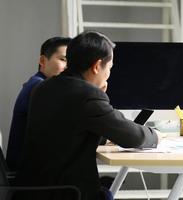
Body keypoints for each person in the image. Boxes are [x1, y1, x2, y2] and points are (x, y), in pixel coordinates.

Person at [14, 31, 160, 200]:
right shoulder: (86, 95)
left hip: (33, 190)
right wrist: (156, 135)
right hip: (68, 193)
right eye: (110, 68)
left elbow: (68, 130)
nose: (109, 74)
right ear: (97, 66)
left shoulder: (43, 88)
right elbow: (133, 138)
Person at [6, 37, 71, 171]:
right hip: (30, 181)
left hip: (30, 175)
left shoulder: (37, 83)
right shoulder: (40, 88)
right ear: (42, 61)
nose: (68, 67)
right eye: (63, 59)